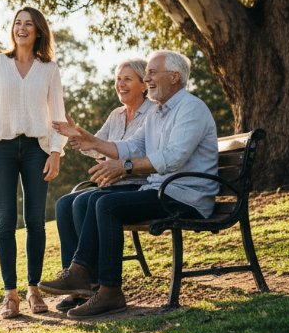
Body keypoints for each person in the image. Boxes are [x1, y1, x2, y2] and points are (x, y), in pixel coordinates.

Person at [42, 50, 219, 317]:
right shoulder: (158, 113)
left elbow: (174, 157)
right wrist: (92, 142)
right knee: (96, 199)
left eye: (151, 73)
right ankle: (83, 276)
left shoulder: (191, 108)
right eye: (146, 73)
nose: (147, 78)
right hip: (162, 190)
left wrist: (125, 166)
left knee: (107, 204)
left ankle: (108, 291)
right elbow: (132, 146)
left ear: (174, 77)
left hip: (186, 195)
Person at [0, 7, 66, 318]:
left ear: (38, 31)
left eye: (28, 24)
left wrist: (56, 152)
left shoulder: (49, 69)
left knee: (35, 221)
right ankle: (10, 294)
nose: (21, 28)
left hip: (38, 148)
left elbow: (58, 113)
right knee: (5, 221)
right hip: (1, 149)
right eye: (17, 23)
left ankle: (33, 289)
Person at [47, 58, 154, 313]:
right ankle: (77, 285)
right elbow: (98, 146)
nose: (120, 84)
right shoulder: (116, 115)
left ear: (143, 84)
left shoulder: (153, 112)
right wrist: (80, 138)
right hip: (114, 185)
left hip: (138, 184)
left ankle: (89, 279)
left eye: (127, 79)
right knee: (64, 204)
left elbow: (139, 152)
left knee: (86, 200)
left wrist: (94, 143)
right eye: (118, 79)